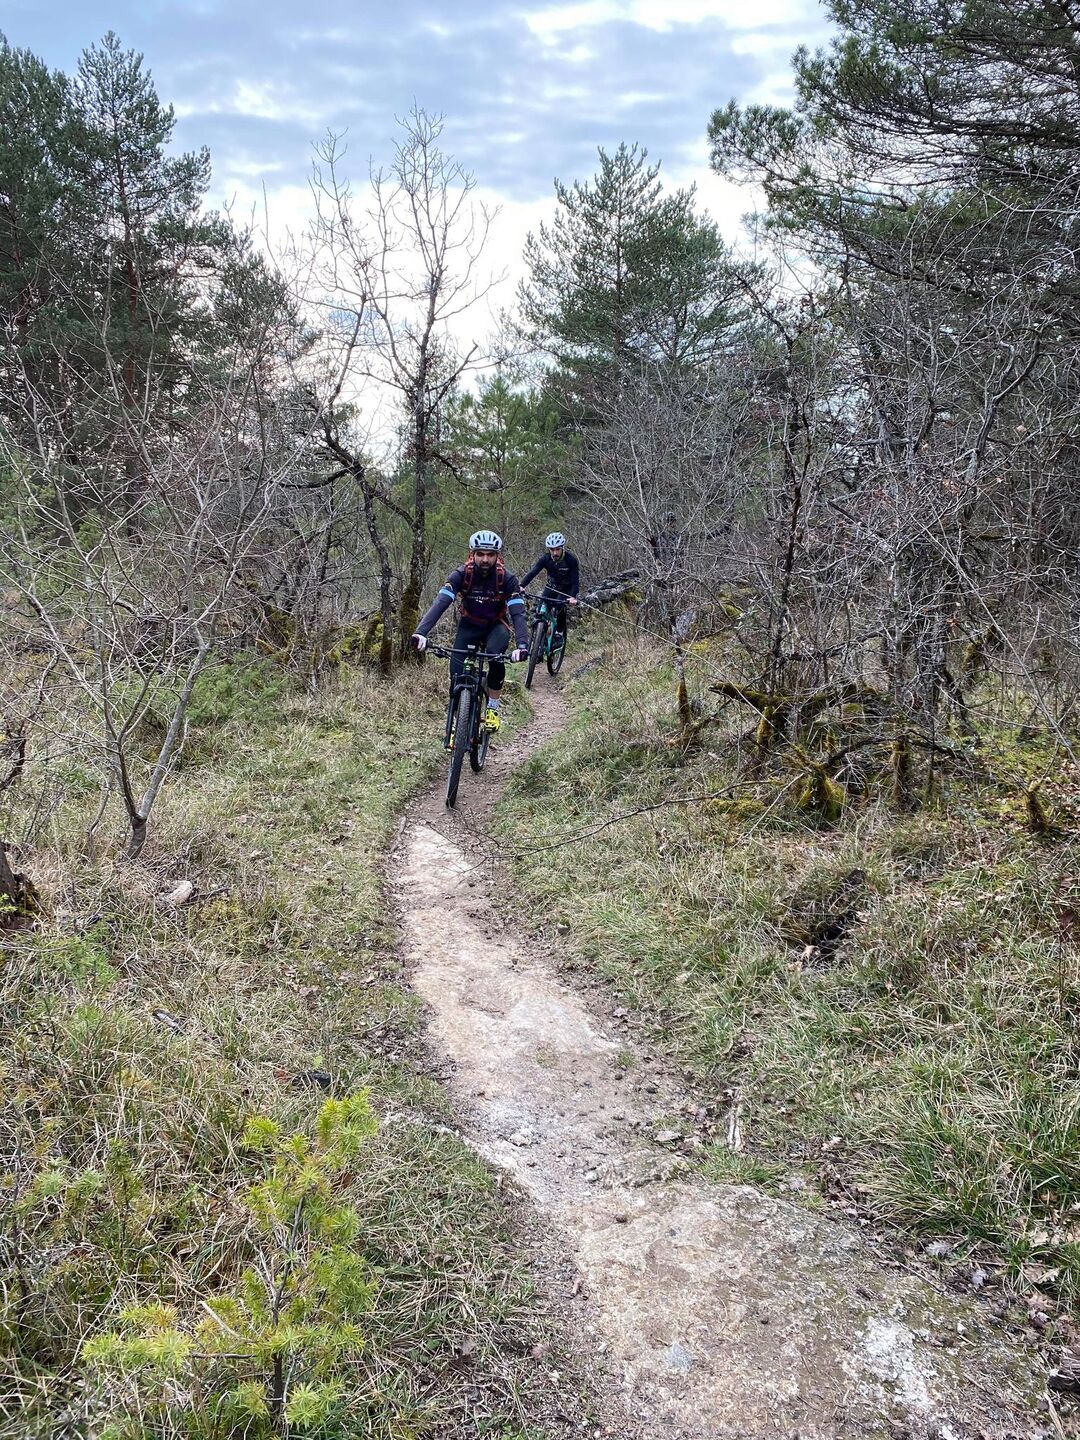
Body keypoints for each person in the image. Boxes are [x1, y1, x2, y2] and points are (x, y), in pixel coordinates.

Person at [411, 530, 528, 733]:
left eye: (490, 555)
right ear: (472, 554)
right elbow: (441, 603)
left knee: (495, 656)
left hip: (496, 626)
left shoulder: (507, 579)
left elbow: (518, 614)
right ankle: (459, 721)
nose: (485, 559)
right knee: (455, 676)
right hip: (469, 625)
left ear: (497, 556)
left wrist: (522, 645)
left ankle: (492, 708)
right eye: (480, 554)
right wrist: (421, 632)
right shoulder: (461, 574)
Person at [520, 531, 580, 641]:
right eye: (552, 549)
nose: (555, 552)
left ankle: (559, 632)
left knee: (559, 607)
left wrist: (573, 597)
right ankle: (538, 636)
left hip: (565, 589)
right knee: (540, 609)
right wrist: (521, 585)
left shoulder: (571, 560)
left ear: (562, 548)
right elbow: (533, 572)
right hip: (551, 587)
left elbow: (575, 581)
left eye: (557, 549)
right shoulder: (545, 559)